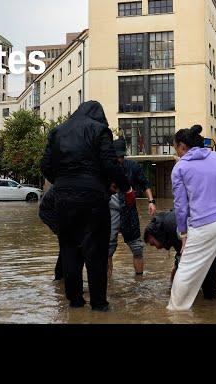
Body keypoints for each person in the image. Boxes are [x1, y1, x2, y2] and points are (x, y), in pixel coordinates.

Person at [41, 101, 132, 311]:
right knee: (97, 251)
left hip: (63, 198)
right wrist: (125, 188)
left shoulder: (57, 131)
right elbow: (110, 164)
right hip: (93, 198)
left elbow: (45, 165)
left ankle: (75, 301)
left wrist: (64, 182)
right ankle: (98, 304)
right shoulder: (100, 130)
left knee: (69, 249)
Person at [167, 124, 216, 311]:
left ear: (182, 146)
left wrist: (184, 233)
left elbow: (181, 206)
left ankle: (176, 313)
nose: (176, 153)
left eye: (175, 148)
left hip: (205, 224)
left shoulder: (180, 168)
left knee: (187, 272)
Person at [144, 210, 216, 299]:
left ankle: (209, 305)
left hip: (207, 235)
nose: (156, 247)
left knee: (209, 273)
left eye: (153, 243)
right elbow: (181, 253)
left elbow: (186, 257)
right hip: (211, 230)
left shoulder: (170, 226)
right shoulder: (165, 226)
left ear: (154, 234)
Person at [108, 137, 157, 277]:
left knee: (137, 248)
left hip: (129, 211)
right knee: (108, 249)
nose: (120, 159)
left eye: (122, 156)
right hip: (111, 212)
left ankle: (139, 280)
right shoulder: (106, 168)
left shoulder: (133, 167)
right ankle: (107, 284)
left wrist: (151, 202)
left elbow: (145, 184)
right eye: (117, 157)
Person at [38, 186, 63, 281]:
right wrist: (59, 229)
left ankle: (60, 288)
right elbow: (44, 210)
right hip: (66, 231)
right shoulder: (59, 185)